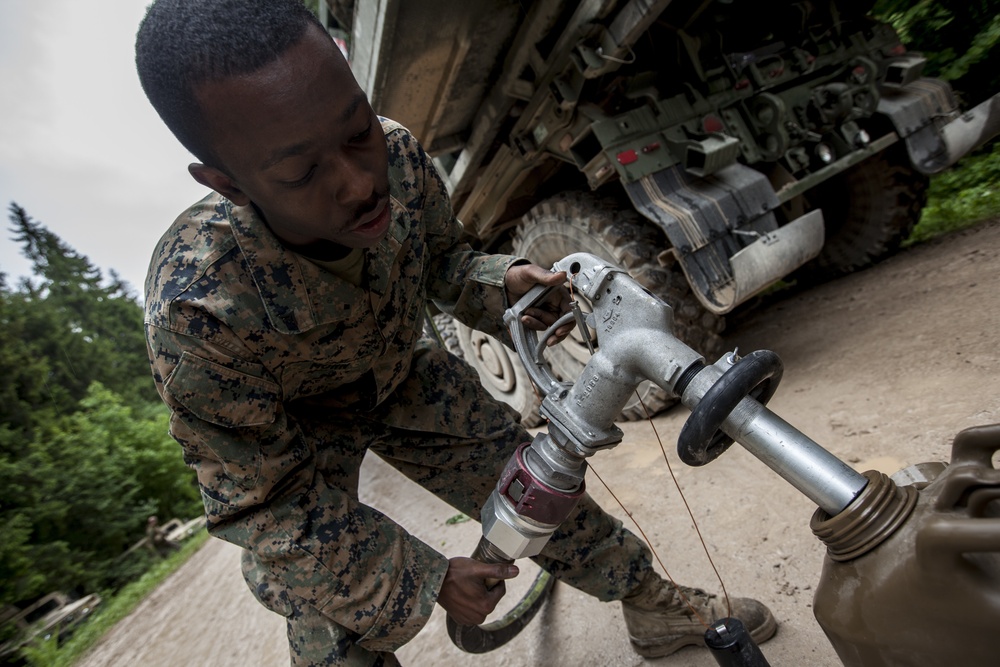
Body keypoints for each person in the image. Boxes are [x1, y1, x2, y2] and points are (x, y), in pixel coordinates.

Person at [134, 1, 777, 664]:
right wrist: (426, 578)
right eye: (302, 173)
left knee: (534, 482)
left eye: (358, 130)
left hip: (399, 370)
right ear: (228, 185)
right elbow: (265, 508)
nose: (361, 183)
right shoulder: (197, 308)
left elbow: (442, 261)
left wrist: (505, 280)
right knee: (324, 603)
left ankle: (651, 603)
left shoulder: (401, 157)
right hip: (297, 435)